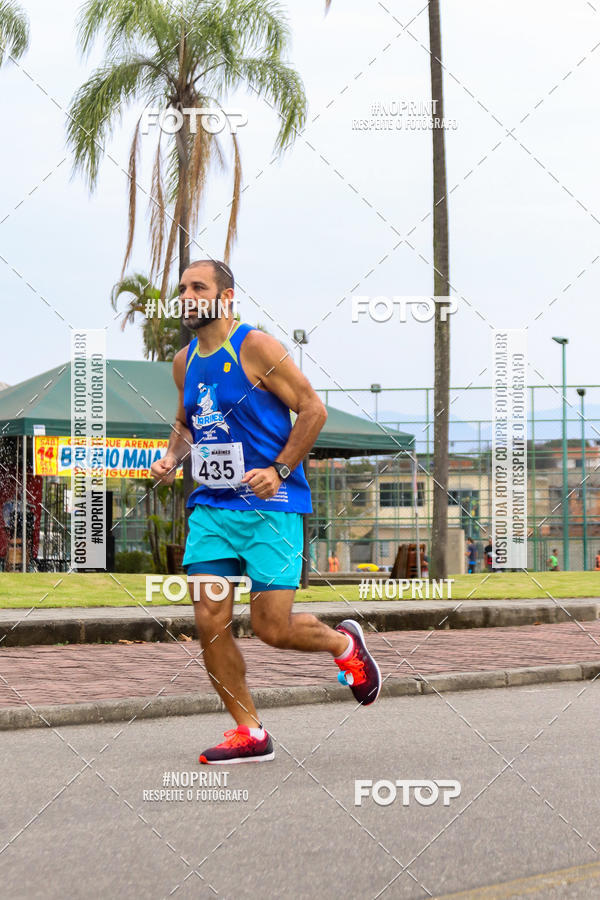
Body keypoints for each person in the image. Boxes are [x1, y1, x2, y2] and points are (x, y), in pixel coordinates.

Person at [151, 259, 381, 765]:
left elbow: (312, 408)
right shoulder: (184, 362)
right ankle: (249, 731)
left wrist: (279, 468)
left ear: (226, 298)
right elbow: (187, 422)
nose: (188, 296)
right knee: (209, 619)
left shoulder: (255, 346)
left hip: (270, 506)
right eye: (183, 288)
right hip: (212, 507)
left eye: (199, 287)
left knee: (273, 628)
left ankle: (343, 645)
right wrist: (173, 455)